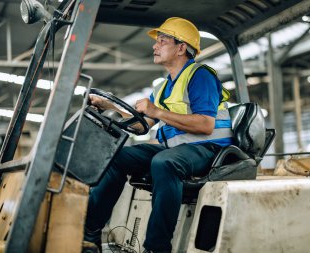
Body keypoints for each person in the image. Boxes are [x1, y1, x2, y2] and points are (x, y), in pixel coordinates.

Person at [84, 17, 233, 253]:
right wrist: (110, 107)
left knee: (164, 162)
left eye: (162, 41)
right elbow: (143, 125)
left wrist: (157, 111)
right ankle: (88, 235)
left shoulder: (201, 75)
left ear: (181, 48)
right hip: (178, 149)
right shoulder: (163, 86)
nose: (155, 46)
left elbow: (205, 124)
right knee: (116, 157)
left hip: (209, 148)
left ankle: (156, 248)